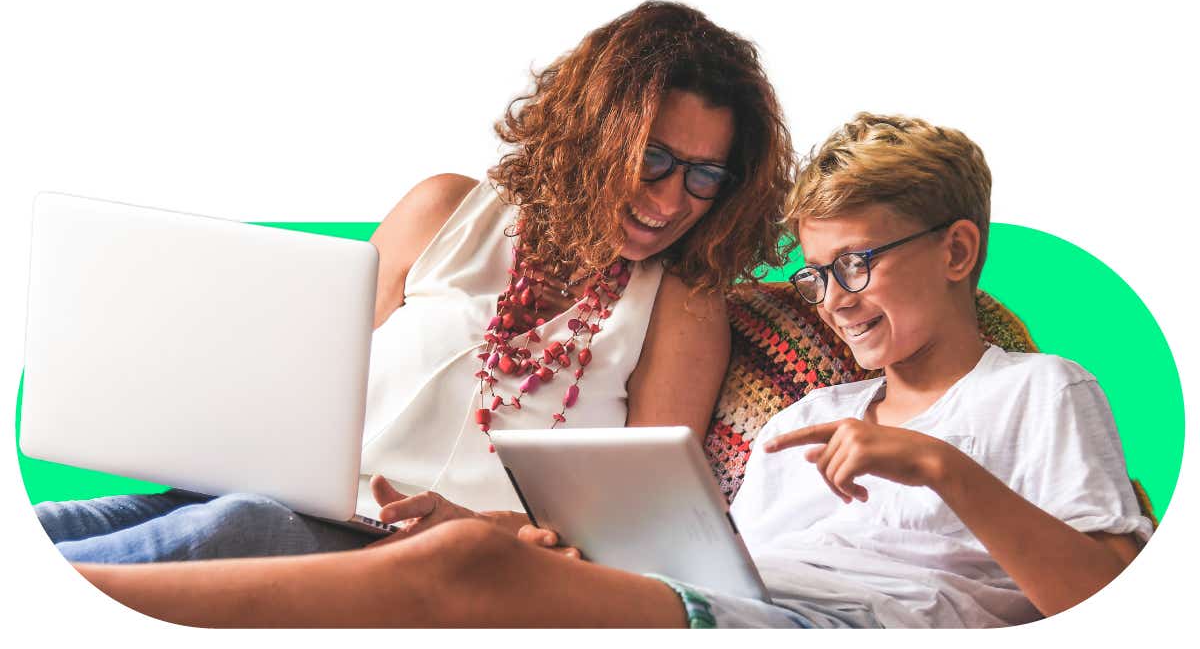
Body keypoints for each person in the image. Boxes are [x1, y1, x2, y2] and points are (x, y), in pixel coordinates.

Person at [73, 112, 1153, 628]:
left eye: (860, 265)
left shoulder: (1039, 391)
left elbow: (1107, 604)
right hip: (720, 598)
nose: (838, 300)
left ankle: (72, 613)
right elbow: (699, 562)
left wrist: (940, 466)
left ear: (959, 251)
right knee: (280, 523)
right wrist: (500, 521)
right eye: (821, 274)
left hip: (841, 626)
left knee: (468, 583)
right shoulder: (816, 411)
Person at [33, 1, 796, 563]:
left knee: (228, 532)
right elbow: (296, 396)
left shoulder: (680, 307)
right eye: (653, 158)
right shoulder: (443, 210)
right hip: (287, 498)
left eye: (704, 176)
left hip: (434, 556)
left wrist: (486, 530)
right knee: (66, 524)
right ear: (595, 131)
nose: (669, 202)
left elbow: (643, 539)